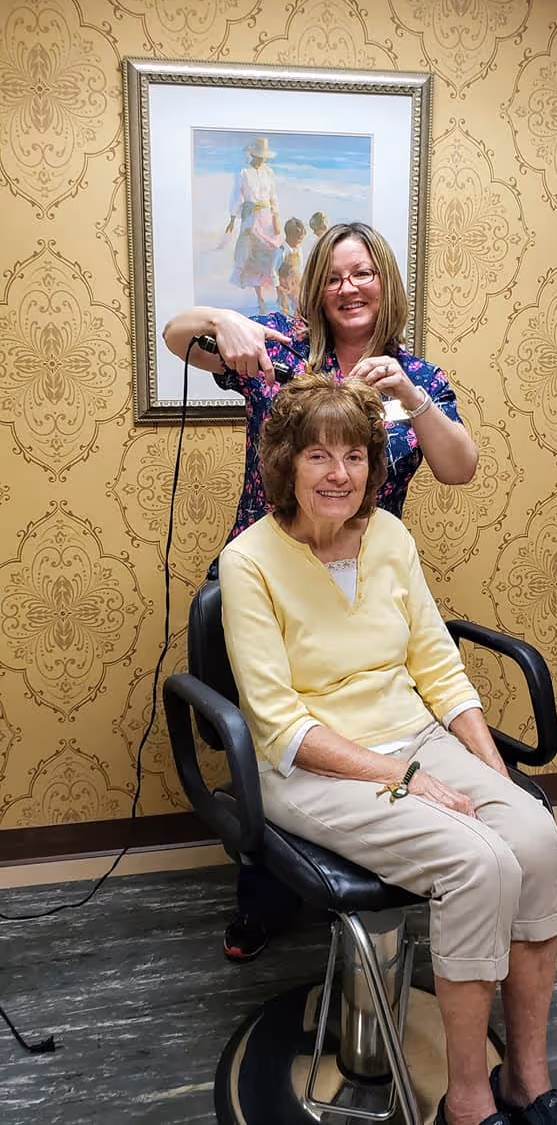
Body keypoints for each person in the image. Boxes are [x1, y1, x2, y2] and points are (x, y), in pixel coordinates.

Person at [218, 373, 557, 1125]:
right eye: (317, 456)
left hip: (411, 735)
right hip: (313, 764)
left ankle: (528, 1082)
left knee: (536, 839)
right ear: (283, 464)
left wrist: (489, 768)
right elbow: (281, 727)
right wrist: (404, 780)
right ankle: (470, 1104)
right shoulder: (249, 563)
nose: (339, 473)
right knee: (475, 863)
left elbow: (438, 668)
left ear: (373, 466)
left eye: (353, 456)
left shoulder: (389, 534)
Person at [163, 221, 479, 961]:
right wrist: (220, 319)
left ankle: (388, 855)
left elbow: (462, 467)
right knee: (274, 741)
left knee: (365, 729)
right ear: (316, 290)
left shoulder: (415, 378)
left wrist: (410, 396)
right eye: (334, 276)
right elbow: (178, 336)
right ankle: (265, 900)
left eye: (363, 273)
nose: (349, 288)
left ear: (385, 283)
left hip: (361, 589)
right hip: (266, 580)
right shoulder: (275, 352)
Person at [227, 136, 282, 314]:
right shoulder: (243, 172)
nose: (262, 159)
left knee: (271, 252)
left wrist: (276, 219)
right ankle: (260, 299)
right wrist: (232, 218)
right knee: (251, 254)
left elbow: (273, 197)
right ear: (252, 155)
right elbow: (237, 196)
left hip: (266, 217)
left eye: (264, 156)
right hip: (251, 216)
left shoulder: (269, 172)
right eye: (259, 155)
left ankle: (278, 296)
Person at [276, 216, 306, 316]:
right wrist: (277, 284)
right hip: (284, 282)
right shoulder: (282, 250)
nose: (300, 241)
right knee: (284, 306)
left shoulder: (299, 249)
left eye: (301, 238)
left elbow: (300, 265)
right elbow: (274, 269)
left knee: (299, 304)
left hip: (296, 280)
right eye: (298, 239)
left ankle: (297, 322)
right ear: (289, 236)